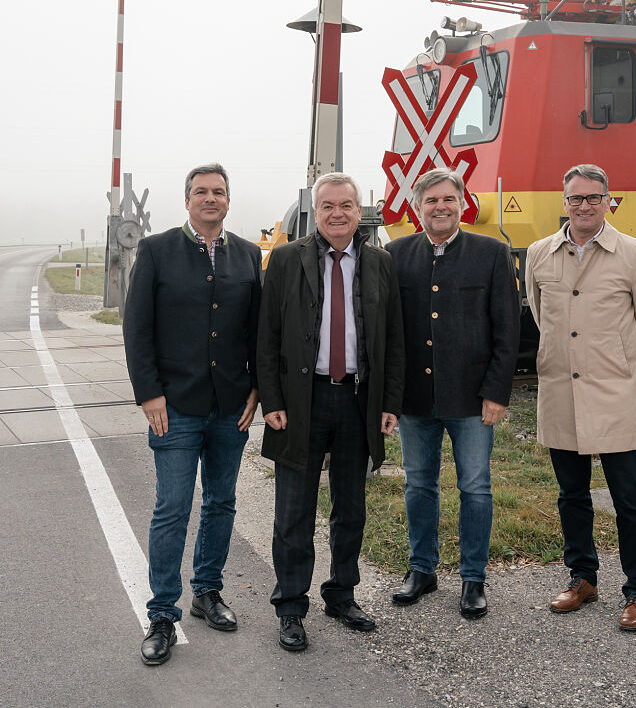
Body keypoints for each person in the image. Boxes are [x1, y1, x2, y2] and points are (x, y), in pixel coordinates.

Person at [257, 172, 404, 652]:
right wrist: (272, 401)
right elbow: (267, 337)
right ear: (314, 212)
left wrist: (389, 404)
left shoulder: (380, 262)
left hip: (358, 401)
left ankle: (342, 594)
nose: (337, 213)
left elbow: (394, 342)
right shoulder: (284, 259)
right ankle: (291, 607)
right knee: (293, 511)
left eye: (347, 205)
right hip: (302, 402)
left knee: (351, 508)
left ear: (359, 210)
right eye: (328, 206)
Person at [123, 163, 262, 665]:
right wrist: (149, 394)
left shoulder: (247, 254)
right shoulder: (158, 249)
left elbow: (258, 333)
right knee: (173, 508)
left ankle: (207, 591)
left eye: (218, 192)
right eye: (201, 192)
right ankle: (162, 612)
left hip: (231, 407)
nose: (210, 198)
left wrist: (257, 389)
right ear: (186, 201)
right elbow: (136, 326)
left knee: (221, 502)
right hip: (174, 406)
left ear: (228, 200)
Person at [524, 163, 636, 632]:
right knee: (571, 494)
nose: (584, 206)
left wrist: (619, 363)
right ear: (563, 202)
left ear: (609, 201)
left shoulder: (634, 253)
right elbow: (543, 317)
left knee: (629, 496)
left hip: (613, 391)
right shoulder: (541, 253)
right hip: (561, 390)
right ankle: (583, 578)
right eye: (575, 198)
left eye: (593, 198)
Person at [385, 168, 519, 618]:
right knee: (419, 484)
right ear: (417, 207)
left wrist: (497, 392)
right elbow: (387, 332)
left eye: (448, 199)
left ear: (462, 204)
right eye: (430, 201)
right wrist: (390, 397)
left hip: (472, 398)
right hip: (415, 399)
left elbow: (507, 329)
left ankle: (473, 578)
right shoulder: (395, 254)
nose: (440, 207)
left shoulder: (492, 254)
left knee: (475, 488)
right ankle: (421, 570)